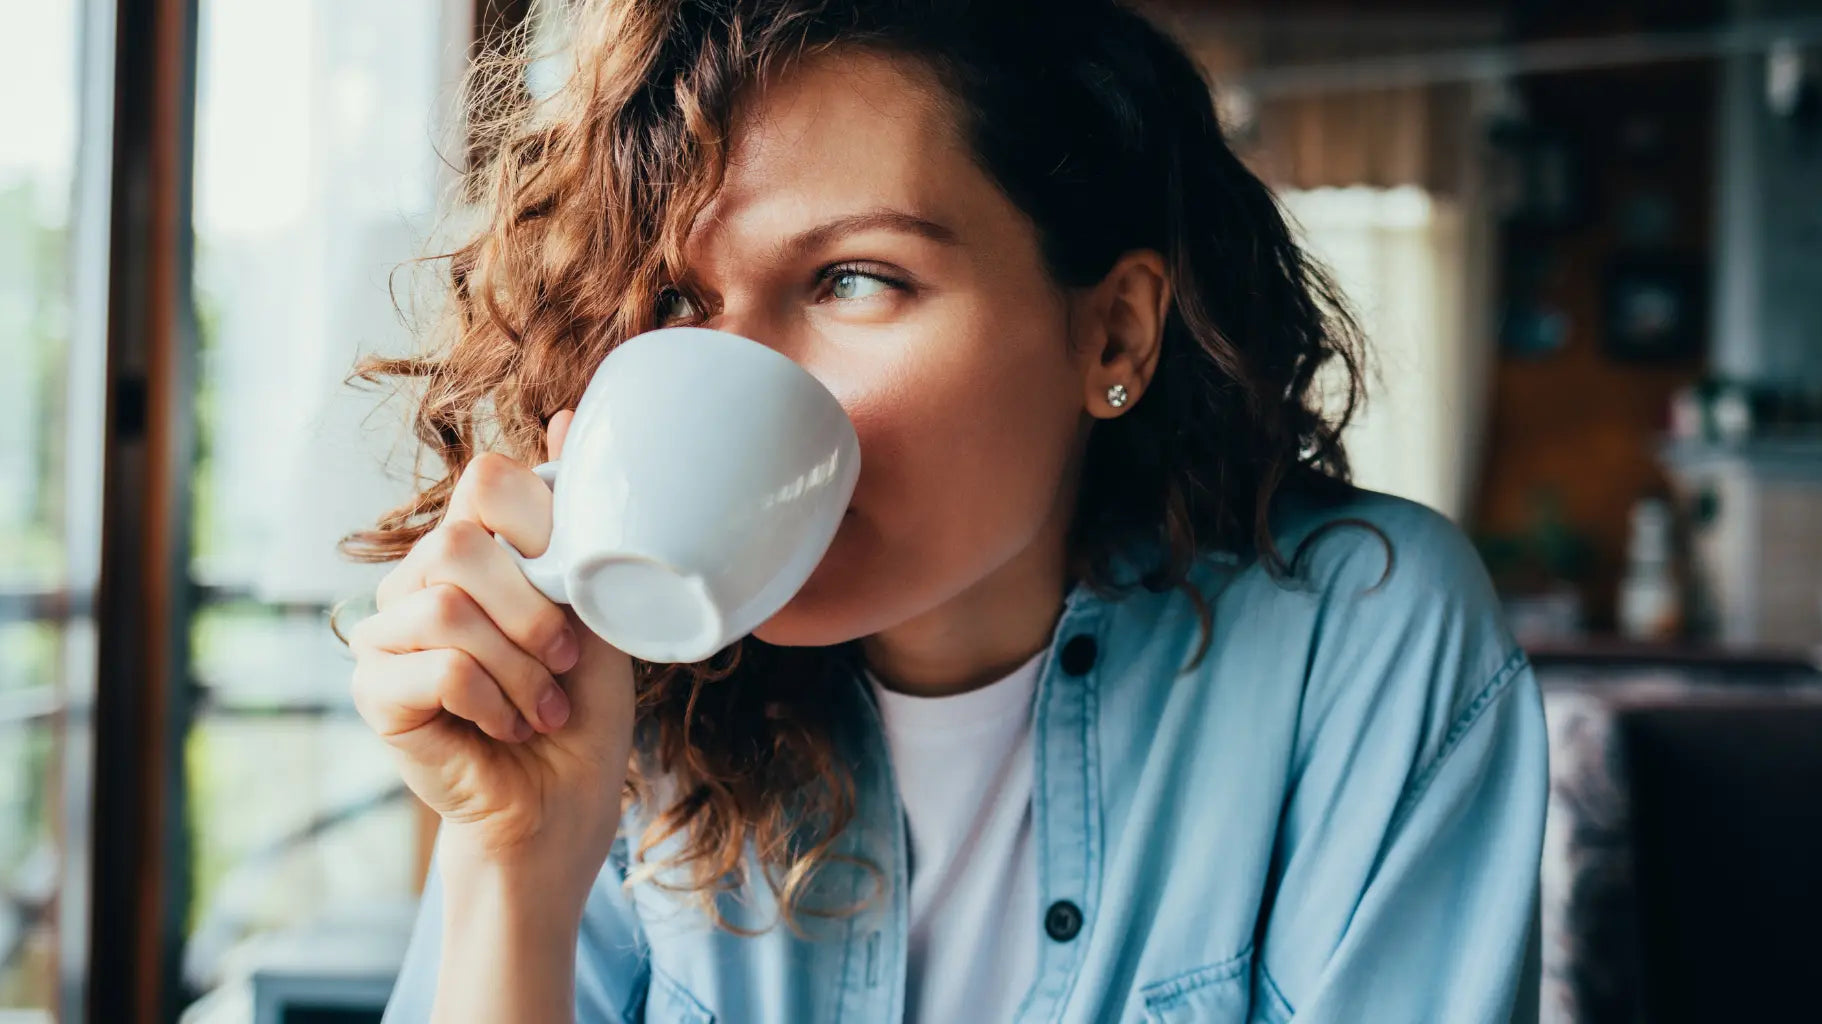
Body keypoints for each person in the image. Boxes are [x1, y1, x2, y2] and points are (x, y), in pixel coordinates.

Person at [347, 0, 1548, 1020]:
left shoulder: (1357, 638)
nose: (738, 377)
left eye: (854, 278)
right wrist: (515, 869)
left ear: (1111, 330)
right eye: (675, 295)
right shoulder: (614, 703)